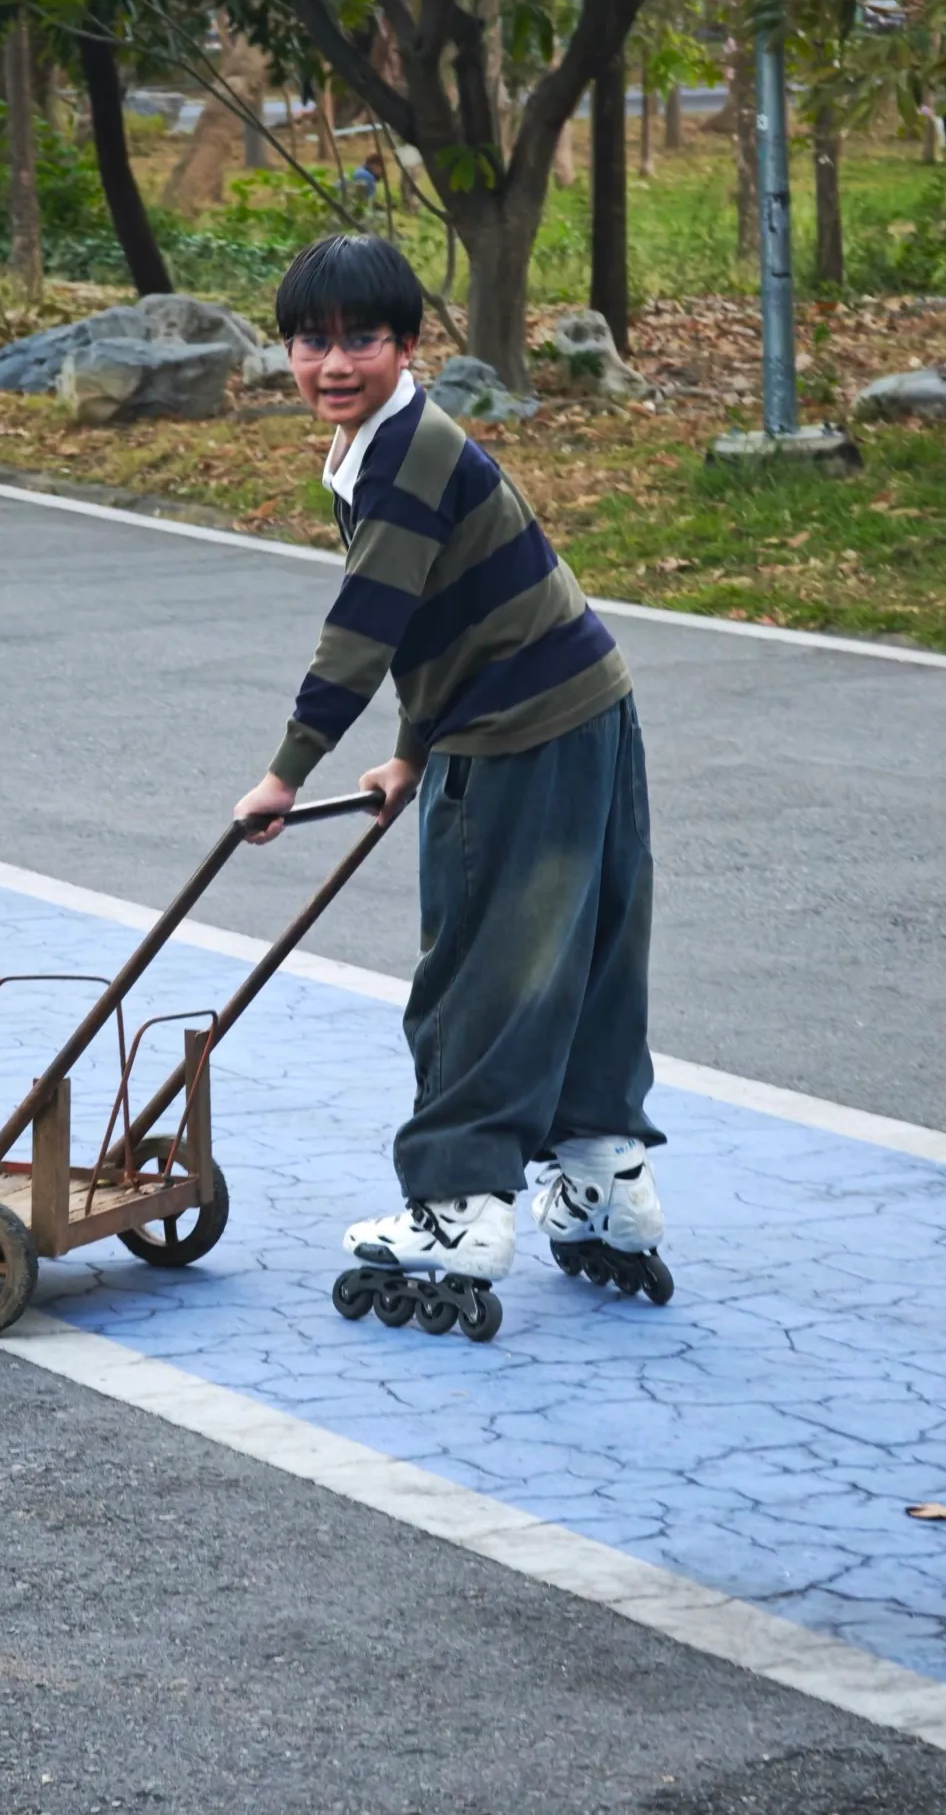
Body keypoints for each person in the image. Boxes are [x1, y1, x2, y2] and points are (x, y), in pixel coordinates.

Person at [233, 234, 672, 1331]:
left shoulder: (400, 459)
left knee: (479, 965)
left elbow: (367, 630)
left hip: (523, 735)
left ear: (409, 345)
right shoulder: (395, 446)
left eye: (361, 340)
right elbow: (450, 618)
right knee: (592, 951)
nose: (333, 363)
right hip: (589, 703)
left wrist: (287, 774)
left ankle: (459, 1203)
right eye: (310, 340)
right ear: (286, 349)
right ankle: (606, 1177)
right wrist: (411, 754)